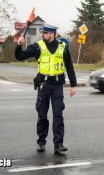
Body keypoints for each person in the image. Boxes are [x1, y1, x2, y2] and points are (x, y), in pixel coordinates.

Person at [15, 24, 77, 153]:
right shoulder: (38, 47)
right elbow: (20, 56)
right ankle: (41, 142)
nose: (43, 35)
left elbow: (69, 67)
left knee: (58, 115)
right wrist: (19, 45)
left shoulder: (63, 48)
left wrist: (73, 85)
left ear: (53, 34)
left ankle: (58, 144)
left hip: (57, 86)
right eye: (43, 33)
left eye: (45, 33)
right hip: (43, 85)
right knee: (42, 115)